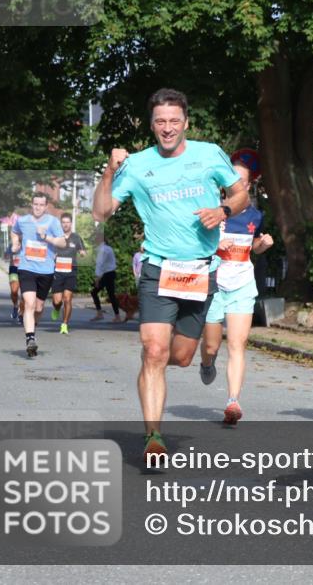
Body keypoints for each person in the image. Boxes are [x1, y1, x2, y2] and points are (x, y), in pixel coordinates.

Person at [92, 88, 247, 460]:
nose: (167, 127)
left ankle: (194, 362)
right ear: (151, 125)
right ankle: (153, 437)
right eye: (160, 121)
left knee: (180, 356)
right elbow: (100, 212)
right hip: (158, 267)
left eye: (174, 120)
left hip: (199, 271)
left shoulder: (209, 154)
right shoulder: (136, 165)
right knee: (154, 350)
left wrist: (223, 210)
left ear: (186, 123)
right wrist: (110, 172)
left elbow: (240, 195)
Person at [199, 162, 274, 425]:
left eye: (241, 180)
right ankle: (207, 362)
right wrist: (217, 245)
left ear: (249, 185)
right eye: (231, 180)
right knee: (211, 345)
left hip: (242, 283)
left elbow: (251, 247)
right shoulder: (211, 211)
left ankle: (233, 401)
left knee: (238, 344)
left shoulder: (254, 215)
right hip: (214, 285)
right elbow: (193, 245)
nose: (236, 185)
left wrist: (261, 245)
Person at [11, 192, 67, 357]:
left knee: (38, 307)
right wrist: (15, 243)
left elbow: (63, 242)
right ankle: (30, 338)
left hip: (46, 270)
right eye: (35, 204)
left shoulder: (53, 222)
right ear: (32, 204)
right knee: (29, 303)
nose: (38, 207)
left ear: (46, 206)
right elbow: (15, 232)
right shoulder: (23, 221)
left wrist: (46, 237)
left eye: (41, 205)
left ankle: (32, 329)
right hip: (27, 268)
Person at [49, 212, 88, 334]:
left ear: (71, 224)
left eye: (68, 222)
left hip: (71, 271)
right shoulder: (56, 237)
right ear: (61, 224)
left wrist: (82, 253)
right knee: (57, 301)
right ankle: (56, 309)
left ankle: (64, 324)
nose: (65, 225)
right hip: (58, 271)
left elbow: (83, 251)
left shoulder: (76, 237)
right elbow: (49, 251)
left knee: (67, 299)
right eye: (63, 222)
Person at [91, 234, 121, 323]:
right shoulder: (108, 248)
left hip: (106, 274)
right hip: (110, 273)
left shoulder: (103, 250)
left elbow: (100, 264)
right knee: (110, 295)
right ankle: (115, 316)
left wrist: (97, 278)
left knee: (95, 292)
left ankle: (102, 314)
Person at [6, 243, 24, 323]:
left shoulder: (29, 241)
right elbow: (6, 256)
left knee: (24, 294)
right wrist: (10, 253)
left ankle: (21, 314)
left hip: (26, 269)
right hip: (14, 269)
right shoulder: (13, 244)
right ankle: (16, 306)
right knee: (14, 291)